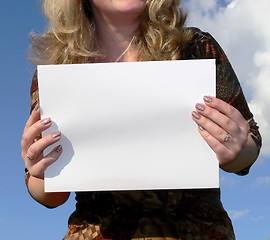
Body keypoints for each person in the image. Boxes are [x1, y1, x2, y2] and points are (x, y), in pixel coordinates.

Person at [21, 0, 262, 239]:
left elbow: (249, 144)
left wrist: (238, 150)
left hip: (195, 232)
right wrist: (40, 174)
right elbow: (52, 195)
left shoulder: (195, 47)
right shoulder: (58, 71)